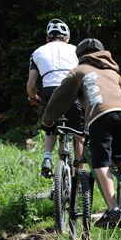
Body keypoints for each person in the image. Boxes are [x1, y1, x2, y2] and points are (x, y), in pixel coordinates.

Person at [42, 38, 121, 228]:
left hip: (100, 115)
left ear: (80, 56)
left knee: (99, 161)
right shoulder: (112, 72)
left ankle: (113, 209)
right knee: (118, 160)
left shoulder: (79, 71)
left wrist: (47, 120)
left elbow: (60, 97)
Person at [27, 18, 85, 179]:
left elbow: (31, 86)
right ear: (66, 38)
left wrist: (35, 98)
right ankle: (80, 172)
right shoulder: (76, 49)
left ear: (47, 38)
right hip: (72, 90)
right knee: (80, 134)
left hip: (49, 92)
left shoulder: (37, 52)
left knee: (50, 123)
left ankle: (47, 157)